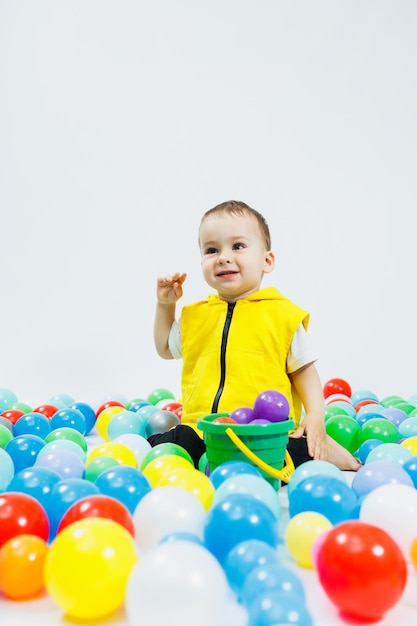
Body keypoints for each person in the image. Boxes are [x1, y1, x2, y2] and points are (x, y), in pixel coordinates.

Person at [151, 200, 361, 472]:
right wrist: (165, 305)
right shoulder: (195, 316)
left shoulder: (282, 315)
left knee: (286, 455)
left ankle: (324, 450)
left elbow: (304, 372)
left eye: (238, 246)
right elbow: (165, 348)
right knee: (168, 449)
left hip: (265, 432)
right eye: (212, 249)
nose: (224, 257)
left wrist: (316, 417)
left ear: (267, 260)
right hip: (204, 429)